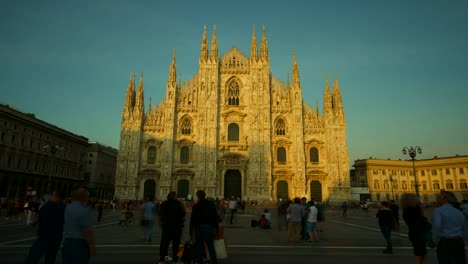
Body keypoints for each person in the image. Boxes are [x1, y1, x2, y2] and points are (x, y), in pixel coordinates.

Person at [24, 191, 66, 264]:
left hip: (44, 235)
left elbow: (39, 217)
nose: (50, 197)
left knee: (33, 257)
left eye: (52, 195)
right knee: (51, 257)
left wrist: (33, 223)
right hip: (56, 236)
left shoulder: (46, 206)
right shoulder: (64, 207)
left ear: (56, 196)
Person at [62, 187, 96, 263]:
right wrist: (91, 246)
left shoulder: (67, 208)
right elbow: (87, 230)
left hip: (67, 242)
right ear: (84, 198)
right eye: (87, 197)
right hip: (79, 244)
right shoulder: (84, 210)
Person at [434, 190, 467, 264]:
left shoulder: (438, 210)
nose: (438, 199)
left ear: (445, 199)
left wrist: (437, 239)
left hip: (445, 242)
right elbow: (465, 228)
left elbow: (437, 226)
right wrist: (463, 239)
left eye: (440, 197)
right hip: (458, 241)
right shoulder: (459, 212)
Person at [190, 190, 218, 264]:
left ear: (198, 196)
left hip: (198, 227)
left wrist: (191, 233)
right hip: (208, 227)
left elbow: (192, 220)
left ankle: (200, 261)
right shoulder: (211, 205)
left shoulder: (196, 206)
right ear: (205, 195)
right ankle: (214, 261)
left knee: (199, 246)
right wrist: (216, 228)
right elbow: (215, 217)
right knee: (210, 246)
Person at [401, 193, 429, 264]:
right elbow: (419, 222)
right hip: (417, 234)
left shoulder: (408, 209)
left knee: (421, 253)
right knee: (419, 253)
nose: (418, 200)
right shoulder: (410, 210)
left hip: (415, 233)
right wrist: (422, 212)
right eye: (416, 199)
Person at [159, 192, 185, 263]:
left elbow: (160, 214)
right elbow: (183, 213)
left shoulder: (164, 204)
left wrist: (162, 224)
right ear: (175, 197)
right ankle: (175, 260)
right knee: (176, 244)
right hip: (177, 227)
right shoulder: (179, 204)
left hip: (167, 226)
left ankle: (162, 259)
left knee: (164, 243)